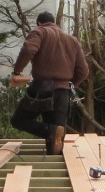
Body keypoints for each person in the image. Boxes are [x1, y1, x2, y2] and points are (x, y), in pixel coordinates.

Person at [9, 11, 89, 154]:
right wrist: (70, 84)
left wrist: (17, 71)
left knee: (19, 120)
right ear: (54, 23)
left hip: (42, 89)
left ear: (39, 23)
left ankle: (48, 130)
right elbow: (83, 71)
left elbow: (28, 49)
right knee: (55, 145)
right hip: (63, 93)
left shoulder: (39, 31)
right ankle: (53, 133)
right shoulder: (72, 40)